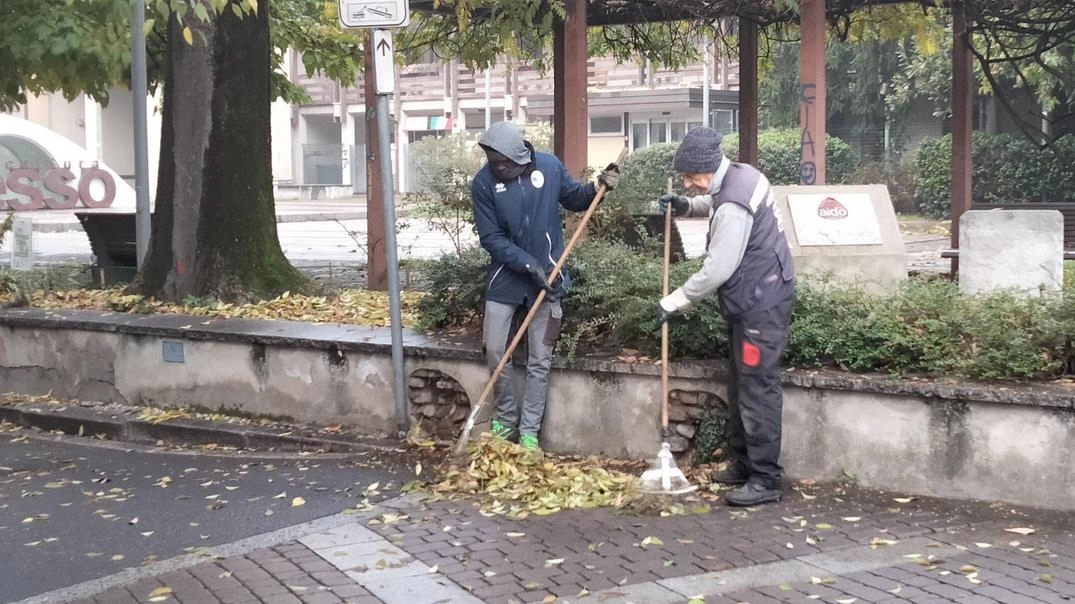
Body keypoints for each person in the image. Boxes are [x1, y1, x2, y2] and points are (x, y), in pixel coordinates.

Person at [657, 127, 795, 506]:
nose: (688, 183)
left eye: (690, 177)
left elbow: (717, 267)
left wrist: (674, 301)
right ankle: (743, 464)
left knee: (756, 389)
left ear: (706, 167)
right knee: (740, 383)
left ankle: (766, 479)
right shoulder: (740, 176)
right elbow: (715, 203)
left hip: (760, 304)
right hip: (756, 295)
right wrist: (687, 207)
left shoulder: (733, 203)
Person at [472, 121, 619, 454]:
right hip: (506, 278)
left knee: (540, 359)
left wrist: (598, 185)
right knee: (495, 350)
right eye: (493, 162)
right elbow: (491, 238)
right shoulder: (483, 184)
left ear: (520, 155)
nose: (498, 168)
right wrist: (528, 265)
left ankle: (528, 433)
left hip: (549, 279)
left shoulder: (549, 167)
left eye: (503, 163)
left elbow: (576, 199)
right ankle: (505, 421)